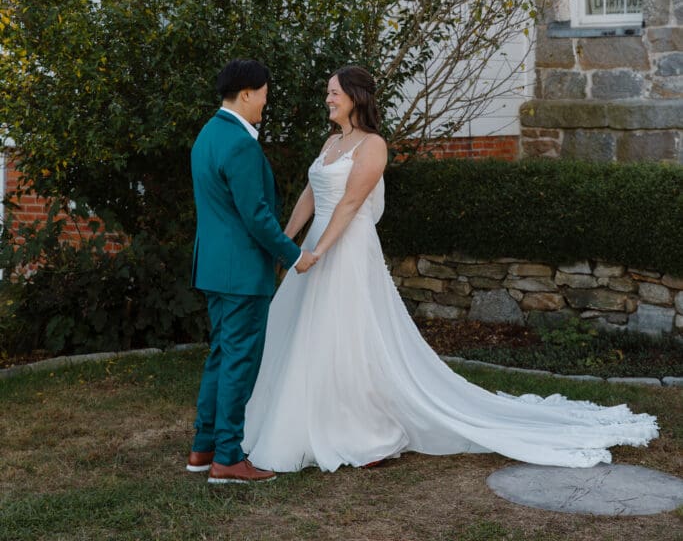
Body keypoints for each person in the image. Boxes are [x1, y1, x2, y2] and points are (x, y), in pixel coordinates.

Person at [242, 65, 658, 473]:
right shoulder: (331, 142)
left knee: (350, 336)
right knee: (308, 333)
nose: (328, 98)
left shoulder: (372, 146)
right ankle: (306, 418)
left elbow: (351, 204)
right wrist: (286, 241)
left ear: (355, 98)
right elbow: (311, 196)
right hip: (318, 243)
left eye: (334, 92)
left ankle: (365, 430)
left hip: (345, 249)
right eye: (329, 92)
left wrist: (319, 252)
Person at [187, 58, 318, 484]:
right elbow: (257, 216)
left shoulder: (207, 135)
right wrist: (294, 255)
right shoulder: (240, 144)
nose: (266, 101)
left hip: (213, 270)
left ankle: (202, 448)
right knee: (239, 362)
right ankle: (227, 458)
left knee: (221, 356)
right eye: (263, 93)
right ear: (246, 93)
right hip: (242, 274)